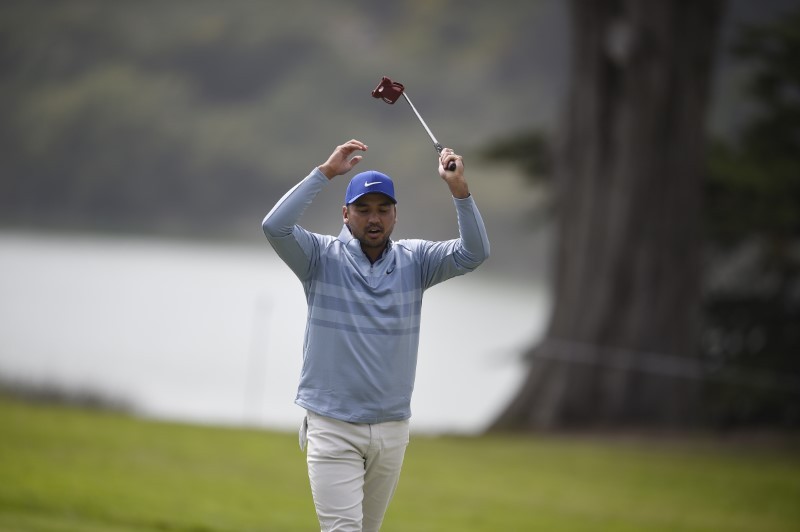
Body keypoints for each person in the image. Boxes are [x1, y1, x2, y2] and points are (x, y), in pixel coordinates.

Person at [261, 139, 490, 531]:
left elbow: (474, 252)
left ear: (395, 216)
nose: (374, 218)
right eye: (363, 209)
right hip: (332, 425)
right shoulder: (318, 257)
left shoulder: (416, 261)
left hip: (392, 427)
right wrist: (326, 172)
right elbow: (274, 226)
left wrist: (459, 191)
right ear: (345, 213)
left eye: (383, 210)